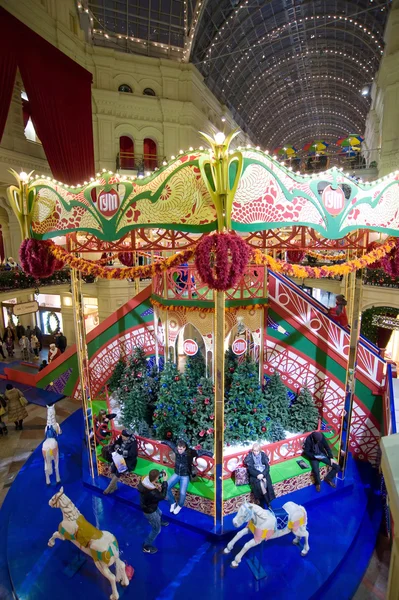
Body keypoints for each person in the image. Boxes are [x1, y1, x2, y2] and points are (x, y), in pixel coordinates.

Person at [138, 468, 169, 554]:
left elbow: (152, 479)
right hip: (150, 511)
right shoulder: (153, 492)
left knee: (160, 513)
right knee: (156, 530)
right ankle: (146, 546)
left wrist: (160, 476)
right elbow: (162, 496)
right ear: (155, 478)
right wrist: (165, 481)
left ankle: (159, 521)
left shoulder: (144, 480)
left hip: (149, 505)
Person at [165, 439, 197, 515]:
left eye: (181, 449)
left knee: (182, 493)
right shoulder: (176, 449)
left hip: (185, 475)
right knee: (166, 487)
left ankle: (179, 506)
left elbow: (201, 452)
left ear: (184, 448)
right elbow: (169, 442)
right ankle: (172, 503)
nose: (179, 450)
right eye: (178, 449)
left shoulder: (190, 452)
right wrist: (161, 441)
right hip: (176, 473)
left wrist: (212, 455)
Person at [103, 429, 138, 495]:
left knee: (119, 471)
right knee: (113, 468)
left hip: (128, 461)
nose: (122, 438)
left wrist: (122, 452)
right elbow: (116, 443)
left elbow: (133, 454)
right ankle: (115, 487)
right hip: (119, 457)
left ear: (127, 437)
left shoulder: (133, 442)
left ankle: (109, 488)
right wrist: (117, 447)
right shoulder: (122, 438)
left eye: (123, 437)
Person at [244, 443, 276, 508]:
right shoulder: (250, 457)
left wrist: (263, 474)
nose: (255, 452)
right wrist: (257, 475)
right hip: (255, 476)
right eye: (254, 451)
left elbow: (267, 467)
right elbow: (250, 469)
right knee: (260, 485)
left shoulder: (263, 455)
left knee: (266, 483)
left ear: (259, 450)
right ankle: (266, 502)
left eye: (257, 451)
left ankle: (266, 502)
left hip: (264, 473)